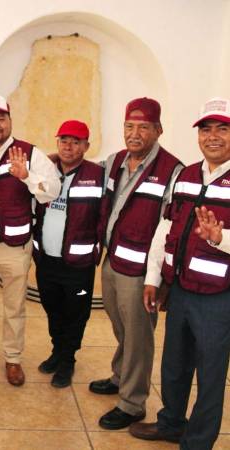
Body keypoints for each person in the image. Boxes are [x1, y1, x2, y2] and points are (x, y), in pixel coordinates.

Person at [130, 98, 230, 449]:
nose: (213, 137)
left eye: (222, 129)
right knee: (174, 364)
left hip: (219, 297)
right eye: (206, 129)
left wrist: (221, 239)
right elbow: (165, 228)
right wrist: (154, 279)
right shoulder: (187, 175)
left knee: (211, 373)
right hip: (181, 288)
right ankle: (171, 423)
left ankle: (198, 441)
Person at [90, 97, 183, 430]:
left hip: (143, 272)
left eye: (143, 127)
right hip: (113, 261)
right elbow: (88, 174)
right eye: (130, 126)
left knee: (139, 335)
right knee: (120, 325)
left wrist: (157, 280)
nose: (135, 133)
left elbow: (170, 228)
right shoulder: (115, 161)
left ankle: (132, 403)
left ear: (158, 130)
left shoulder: (173, 171)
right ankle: (120, 375)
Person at [0, 93, 61, 386]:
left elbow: (52, 191)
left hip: (15, 247)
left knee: (14, 307)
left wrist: (27, 175)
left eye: (0, 118)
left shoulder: (30, 153)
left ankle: (13, 359)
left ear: (9, 120)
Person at [32, 120, 104, 388]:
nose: (69, 146)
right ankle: (56, 351)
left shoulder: (98, 174)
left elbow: (103, 216)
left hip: (78, 264)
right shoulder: (46, 171)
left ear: (86, 145)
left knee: (76, 313)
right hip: (47, 260)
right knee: (53, 309)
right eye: (64, 140)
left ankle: (67, 360)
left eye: (76, 142)